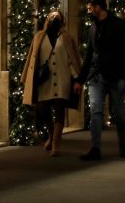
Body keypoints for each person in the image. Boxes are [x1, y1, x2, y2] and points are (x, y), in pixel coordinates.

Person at [78, 0, 125, 161]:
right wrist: (81, 79)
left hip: (117, 76)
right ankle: (95, 148)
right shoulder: (93, 28)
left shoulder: (120, 25)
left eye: (90, 8)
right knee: (95, 110)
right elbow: (89, 54)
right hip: (97, 76)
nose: (89, 11)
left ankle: (123, 145)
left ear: (98, 7)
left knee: (118, 112)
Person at [21, 9, 81, 157]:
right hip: (44, 80)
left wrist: (77, 79)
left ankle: (56, 143)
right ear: (47, 19)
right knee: (42, 109)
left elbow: (72, 59)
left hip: (62, 78)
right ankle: (52, 134)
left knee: (60, 110)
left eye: (57, 16)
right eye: (51, 16)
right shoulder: (39, 36)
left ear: (62, 20)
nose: (54, 18)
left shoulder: (67, 37)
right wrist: (27, 78)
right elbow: (32, 59)